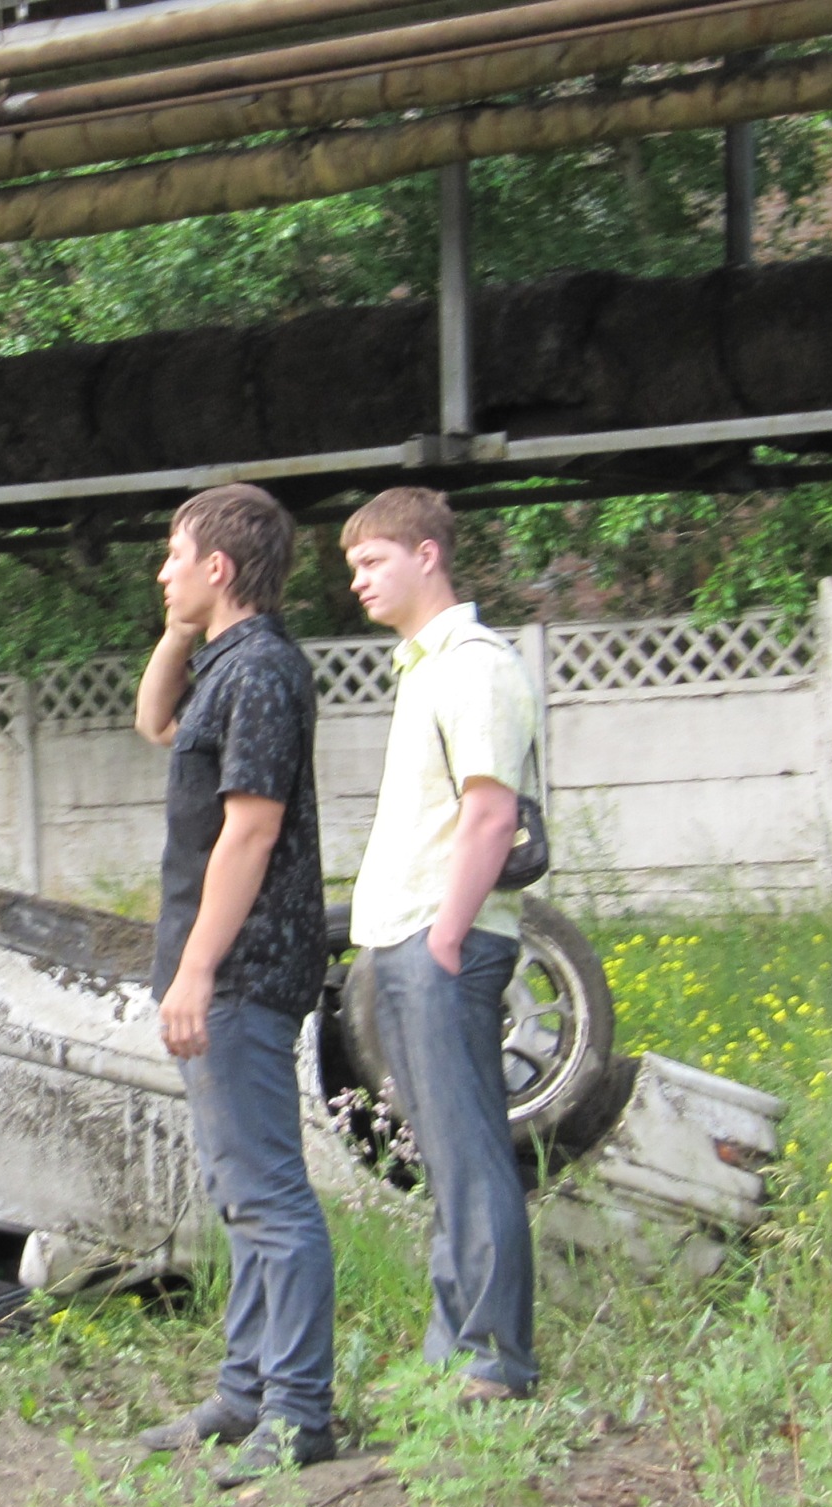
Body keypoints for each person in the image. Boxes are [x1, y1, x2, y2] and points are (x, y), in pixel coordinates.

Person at [130, 484, 335, 1486]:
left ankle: (296, 1412)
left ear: (219, 568)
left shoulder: (262, 672)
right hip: (223, 963)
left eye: (174, 556)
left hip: (242, 963)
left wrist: (197, 969)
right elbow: (152, 717)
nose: (160, 572)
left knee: (266, 1196)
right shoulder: (225, 667)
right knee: (238, 1188)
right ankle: (243, 1391)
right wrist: (175, 629)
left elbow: (250, 827)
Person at [341, 486, 540, 1403]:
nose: (358, 582)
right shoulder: (421, 668)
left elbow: (491, 811)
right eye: (353, 567)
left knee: (468, 1150)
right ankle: (450, 1355)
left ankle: (495, 1358)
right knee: (443, 1159)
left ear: (428, 554)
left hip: (442, 941)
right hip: (401, 941)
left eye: (373, 562)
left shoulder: (474, 665)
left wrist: (450, 934)